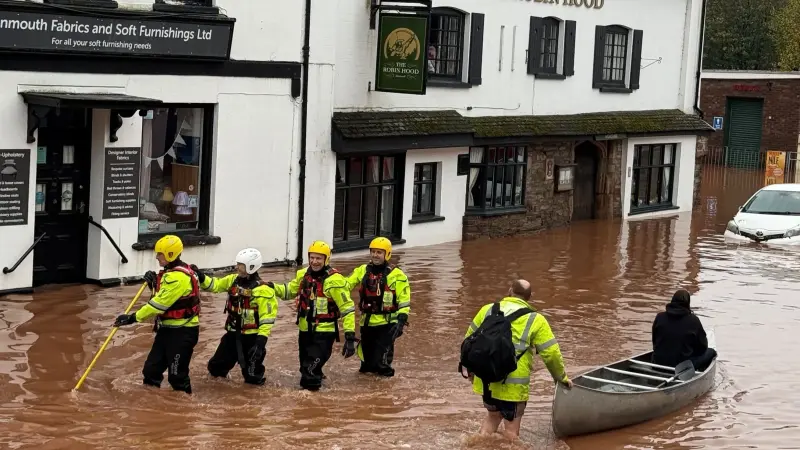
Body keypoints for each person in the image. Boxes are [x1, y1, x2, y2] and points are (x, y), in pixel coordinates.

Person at [461, 279, 572, 440]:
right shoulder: (536, 319)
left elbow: (468, 342)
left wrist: (469, 371)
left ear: (509, 291)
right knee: (511, 432)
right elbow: (551, 354)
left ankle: (475, 445)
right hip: (513, 386)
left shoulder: (487, 309)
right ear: (529, 297)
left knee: (492, 418)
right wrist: (561, 378)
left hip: (487, 380)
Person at [113, 235, 201, 394]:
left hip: (183, 332)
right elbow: (162, 296)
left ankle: (184, 405)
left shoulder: (178, 278)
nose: (157, 257)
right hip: (167, 330)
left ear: (170, 255)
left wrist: (132, 318)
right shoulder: (170, 273)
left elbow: (159, 305)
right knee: (151, 371)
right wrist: (153, 283)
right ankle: (151, 401)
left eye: (160, 254)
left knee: (177, 377)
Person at [269, 241, 357, 391]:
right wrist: (272, 287)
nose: (314, 261)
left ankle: (310, 400)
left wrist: (349, 337)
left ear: (326, 259)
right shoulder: (303, 274)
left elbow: (347, 309)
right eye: (312, 258)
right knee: (304, 367)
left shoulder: (335, 281)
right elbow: (289, 292)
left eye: (319, 258)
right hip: (305, 331)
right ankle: (318, 387)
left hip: (325, 332)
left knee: (309, 370)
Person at [198, 248, 278, 386]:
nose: (237, 267)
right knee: (215, 369)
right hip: (232, 335)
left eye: (240, 265)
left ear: (251, 267)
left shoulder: (264, 290)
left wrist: (260, 343)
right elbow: (215, 285)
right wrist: (201, 276)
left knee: (252, 378)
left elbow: (267, 319)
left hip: (252, 339)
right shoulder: (232, 280)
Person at [344, 237, 411, 377]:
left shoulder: (397, 275)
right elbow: (346, 285)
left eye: (379, 252)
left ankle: (385, 388)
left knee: (382, 364)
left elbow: (404, 301)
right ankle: (367, 388)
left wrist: (401, 321)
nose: (375, 255)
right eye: (373, 252)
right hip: (367, 323)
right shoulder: (362, 271)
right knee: (366, 366)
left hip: (387, 325)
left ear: (387, 254)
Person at [652, 289, 717, 372]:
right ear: (688, 303)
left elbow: (654, 341)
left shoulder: (659, 317)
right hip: (682, 368)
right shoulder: (694, 320)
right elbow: (703, 347)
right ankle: (699, 370)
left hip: (657, 363)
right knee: (711, 352)